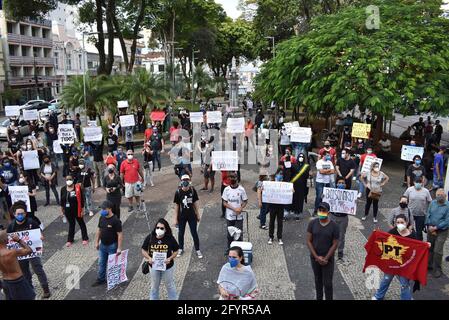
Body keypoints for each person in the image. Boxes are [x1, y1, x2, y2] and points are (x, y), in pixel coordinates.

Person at [6, 202, 50, 298]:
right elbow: (8, 241)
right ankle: (30, 290)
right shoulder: (11, 226)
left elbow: (39, 232)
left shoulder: (31, 222)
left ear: (25, 214)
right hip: (21, 253)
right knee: (25, 272)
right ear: (14, 214)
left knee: (38, 269)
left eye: (22, 213)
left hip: (33, 251)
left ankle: (46, 289)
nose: (20, 216)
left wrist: (41, 236)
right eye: (18, 214)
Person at [372, 214, 418, 300]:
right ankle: (378, 296)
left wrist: (426, 245)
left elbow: (418, 246)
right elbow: (384, 242)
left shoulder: (412, 234)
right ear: (395, 223)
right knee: (386, 279)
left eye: (402, 222)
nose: (400, 224)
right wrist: (377, 235)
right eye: (397, 222)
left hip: (405, 264)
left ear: (406, 223)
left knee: (404, 283)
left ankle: (406, 298)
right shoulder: (392, 232)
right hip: (392, 262)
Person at [306, 202, 339, 300]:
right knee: (318, 281)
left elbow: (335, 243)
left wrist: (326, 258)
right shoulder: (312, 223)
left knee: (328, 283)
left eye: (323, 210)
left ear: (328, 212)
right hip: (315, 258)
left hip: (328, 260)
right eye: (319, 210)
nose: (321, 212)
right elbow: (308, 241)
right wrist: (316, 257)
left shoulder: (334, 226)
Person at [141, 218, 179, 300]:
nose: (159, 230)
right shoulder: (150, 237)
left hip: (168, 267)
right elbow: (143, 250)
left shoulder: (170, 238)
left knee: (169, 285)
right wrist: (149, 258)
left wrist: (170, 258)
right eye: (157, 227)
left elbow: (176, 250)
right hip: (154, 266)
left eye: (162, 228)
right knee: (154, 285)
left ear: (166, 230)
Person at [92, 200, 123, 287]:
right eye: (101, 209)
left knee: (112, 264)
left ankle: (114, 280)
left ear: (109, 209)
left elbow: (120, 234)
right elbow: (99, 230)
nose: (102, 210)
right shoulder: (101, 218)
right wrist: (97, 242)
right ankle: (101, 279)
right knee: (101, 263)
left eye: (103, 209)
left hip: (112, 246)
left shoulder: (116, 220)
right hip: (102, 245)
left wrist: (119, 248)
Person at [0, 230, 35, 300]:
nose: (8, 238)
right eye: (7, 236)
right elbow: (29, 250)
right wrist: (19, 240)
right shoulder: (12, 252)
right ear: (4, 240)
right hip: (18, 281)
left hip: (6, 282)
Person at [174, 175, 202, 259]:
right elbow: (177, 206)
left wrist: (198, 214)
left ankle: (197, 249)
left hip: (191, 216)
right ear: (181, 181)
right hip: (182, 216)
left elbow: (195, 203)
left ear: (189, 181)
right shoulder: (178, 192)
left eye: (187, 180)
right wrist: (175, 218)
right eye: (184, 180)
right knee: (181, 233)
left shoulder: (192, 191)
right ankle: (180, 248)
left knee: (194, 232)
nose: (185, 181)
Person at [425, 188, 449, 278]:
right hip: (431, 229)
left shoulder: (448, 206)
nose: (439, 196)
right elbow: (428, 214)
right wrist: (429, 225)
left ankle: (438, 268)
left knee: (438, 250)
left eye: (441, 195)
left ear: (445, 196)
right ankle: (429, 264)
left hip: (442, 231)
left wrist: (436, 227)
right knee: (430, 247)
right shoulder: (432, 203)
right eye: (438, 195)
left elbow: (447, 221)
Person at [60, 175, 88, 247]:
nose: (68, 181)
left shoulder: (77, 188)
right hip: (68, 211)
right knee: (71, 224)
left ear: (73, 179)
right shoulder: (63, 189)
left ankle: (85, 238)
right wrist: (62, 211)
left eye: (70, 179)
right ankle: (70, 239)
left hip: (77, 210)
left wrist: (82, 210)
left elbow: (82, 200)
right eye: (67, 179)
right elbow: (62, 201)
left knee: (81, 223)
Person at [222, 173, 248, 246]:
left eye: (233, 177)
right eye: (230, 178)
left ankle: (239, 249)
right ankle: (229, 248)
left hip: (239, 216)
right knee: (230, 234)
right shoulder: (226, 189)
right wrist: (234, 209)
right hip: (230, 216)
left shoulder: (241, 189)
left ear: (237, 178)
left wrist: (240, 208)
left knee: (239, 233)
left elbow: (245, 201)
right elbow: (224, 202)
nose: (232, 179)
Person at [403, 177, 432, 241]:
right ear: (414, 182)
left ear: (422, 183)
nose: (418, 184)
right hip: (410, 214)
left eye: (420, 182)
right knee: (409, 229)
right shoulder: (409, 189)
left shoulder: (426, 191)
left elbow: (430, 201)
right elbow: (404, 198)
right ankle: (408, 242)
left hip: (421, 214)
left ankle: (419, 244)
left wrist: (429, 211)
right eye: (417, 182)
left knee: (419, 232)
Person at [330, 177, 349, 260]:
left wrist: (354, 203)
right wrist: (323, 197)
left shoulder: (349, 194)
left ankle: (340, 251)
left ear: (345, 185)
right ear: (336, 184)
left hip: (343, 218)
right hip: (333, 216)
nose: (341, 184)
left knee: (341, 235)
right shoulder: (331, 193)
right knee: (330, 234)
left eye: (342, 183)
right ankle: (330, 249)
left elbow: (351, 206)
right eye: (339, 183)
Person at [268, 170, 285, 245]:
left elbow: (289, 191)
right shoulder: (271, 184)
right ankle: (271, 236)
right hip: (272, 205)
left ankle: (279, 237)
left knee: (280, 222)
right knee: (272, 221)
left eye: (281, 174)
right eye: (278, 175)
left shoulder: (284, 184)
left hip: (280, 205)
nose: (279, 176)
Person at [292, 153, 309, 219]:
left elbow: (308, 177)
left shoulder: (307, 166)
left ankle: (298, 213)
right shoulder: (293, 165)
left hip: (302, 186)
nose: (301, 158)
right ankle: (294, 211)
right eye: (300, 156)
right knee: (294, 199)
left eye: (302, 157)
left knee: (300, 200)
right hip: (294, 185)